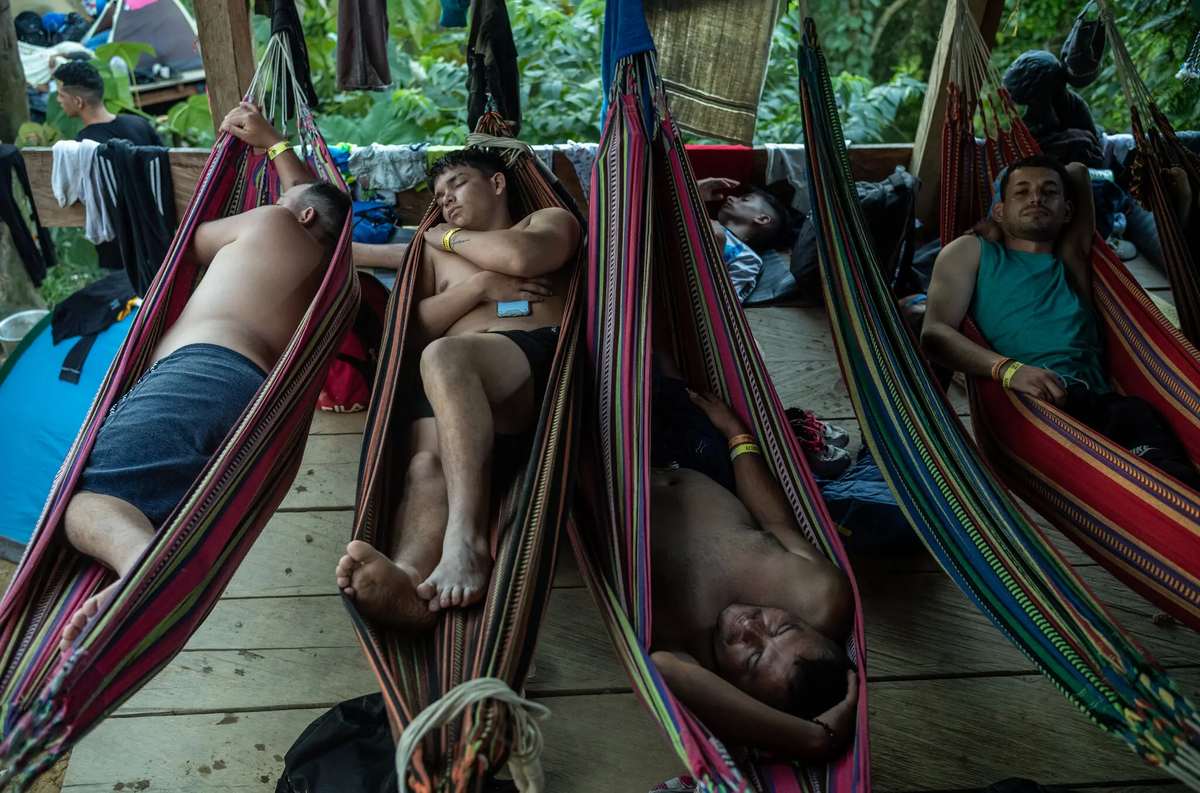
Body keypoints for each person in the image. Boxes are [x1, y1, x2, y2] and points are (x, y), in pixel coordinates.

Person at [58, 105, 352, 652]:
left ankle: (142, 571)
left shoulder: (275, 223)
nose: (270, 204)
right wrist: (276, 146)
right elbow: (314, 202)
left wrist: (261, 196)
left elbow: (187, 247)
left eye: (280, 201)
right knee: (155, 504)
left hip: (197, 374)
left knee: (84, 501)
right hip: (252, 404)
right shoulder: (331, 281)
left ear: (300, 217)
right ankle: (151, 553)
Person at [335, 149, 581, 625]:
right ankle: (409, 581)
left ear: (497, 184)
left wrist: (446, 236)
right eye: (439, 197)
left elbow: (522, 257)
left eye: (458, 185)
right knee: (425, 464)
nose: (446, 200)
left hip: (533, 373)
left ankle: (466, 541)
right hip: (446, 383)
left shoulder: (546, 219)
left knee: (446, 355)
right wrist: (480, 288)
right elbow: (409, 332)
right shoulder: (431, 252)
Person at [922, 153, 1200, 489]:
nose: (1036, 197)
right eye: (1021, 192)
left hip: (1106, 407)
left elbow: (1077, 171)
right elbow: (935, 334)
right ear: (1000, 210)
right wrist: (1008, 370)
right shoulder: (973, 252)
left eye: (1049, 192)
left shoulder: (1071, 262)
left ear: (1067, 211)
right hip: (1031, 406)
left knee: (1169, 476)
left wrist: (1033, 194)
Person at [645, 350, 859, 762]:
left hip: (608, 465)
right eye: (781, 629)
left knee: (590, 360)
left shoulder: (696, 661)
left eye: (753, 658)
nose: (749, 628)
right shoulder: (820, 597)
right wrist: (737, 435)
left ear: (743, 694)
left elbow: (665, 669)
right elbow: (775, 520)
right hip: (699, 458)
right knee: (657, 354)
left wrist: (811, 739)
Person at [697, 177, 790, 303]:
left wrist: (716, 254)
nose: (730, 197)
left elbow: (724, 304)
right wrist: (692, 192)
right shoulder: (700, 217)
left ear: (762, 219)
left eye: (745, 200)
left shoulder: (748, 260)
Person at [53, 60, 162, 146]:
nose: (58, 100)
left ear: (78, 102)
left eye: (61, 95)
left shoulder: (84, 145)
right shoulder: (140, 124)